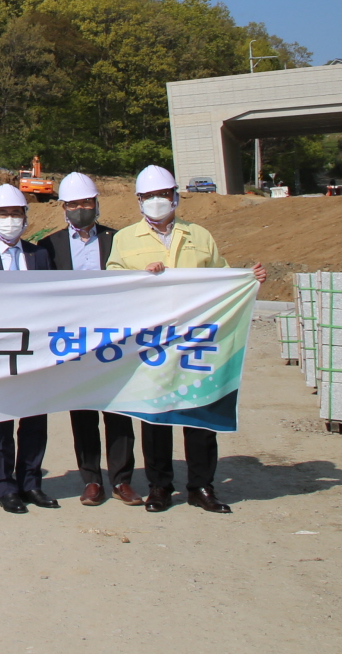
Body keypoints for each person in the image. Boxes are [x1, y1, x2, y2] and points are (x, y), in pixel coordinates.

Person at [109, 165, 267, 515]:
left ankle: (200, 486)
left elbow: (222, 277)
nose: (157, 201)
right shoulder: (124, 239)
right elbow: (113, 282)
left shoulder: (199, 236)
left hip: (196, 340)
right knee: (156, 419)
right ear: (138, 201)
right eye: (149, 196)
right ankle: (160, 487)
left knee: (199, 413)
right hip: (154, 343)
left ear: (175, 196)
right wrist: (140, 276)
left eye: (163, 195)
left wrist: (248, 279)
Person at [37, 172, 138, 507]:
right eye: (74, 204)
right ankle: (91, 479)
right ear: (63, 208)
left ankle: (122, 480)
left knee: (118, 411)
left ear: (96, 204)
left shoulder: (118, 239)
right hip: (74, 341)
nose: (81, 209)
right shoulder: (49, 247)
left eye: (86, 203)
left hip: (114, 338)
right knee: (83, 413)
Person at [0, 182, 56, 514]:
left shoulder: (40, 255)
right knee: (0, 422)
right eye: (3, 214)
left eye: (16, 213)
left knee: (34, 421)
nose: (10, 220)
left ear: (25, 218)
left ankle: (31, 482)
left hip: (35, 352)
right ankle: (5, 487)